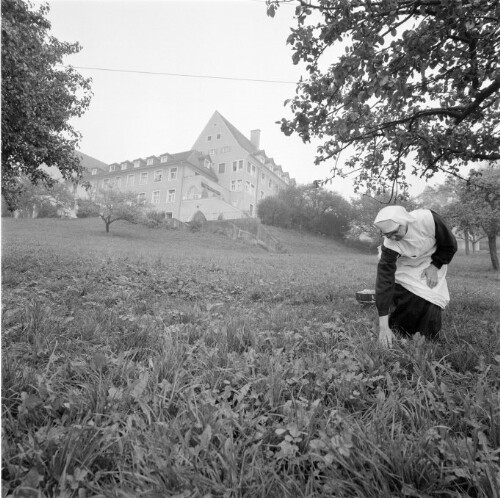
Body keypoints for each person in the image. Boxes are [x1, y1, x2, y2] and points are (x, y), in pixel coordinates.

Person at [374, 205, 457, 347]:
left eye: (394, 232)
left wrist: (435, 266)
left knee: (430, 295)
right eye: (387, 235)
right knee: (405, 294)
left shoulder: (428, 219)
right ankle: (398, 329)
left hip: (431, 259)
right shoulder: (389, 246)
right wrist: (383, 326)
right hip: (405, 264)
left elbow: (450, 245)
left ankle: (427, 338)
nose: (392, 237)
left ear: (404, 222)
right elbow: (384, 281)